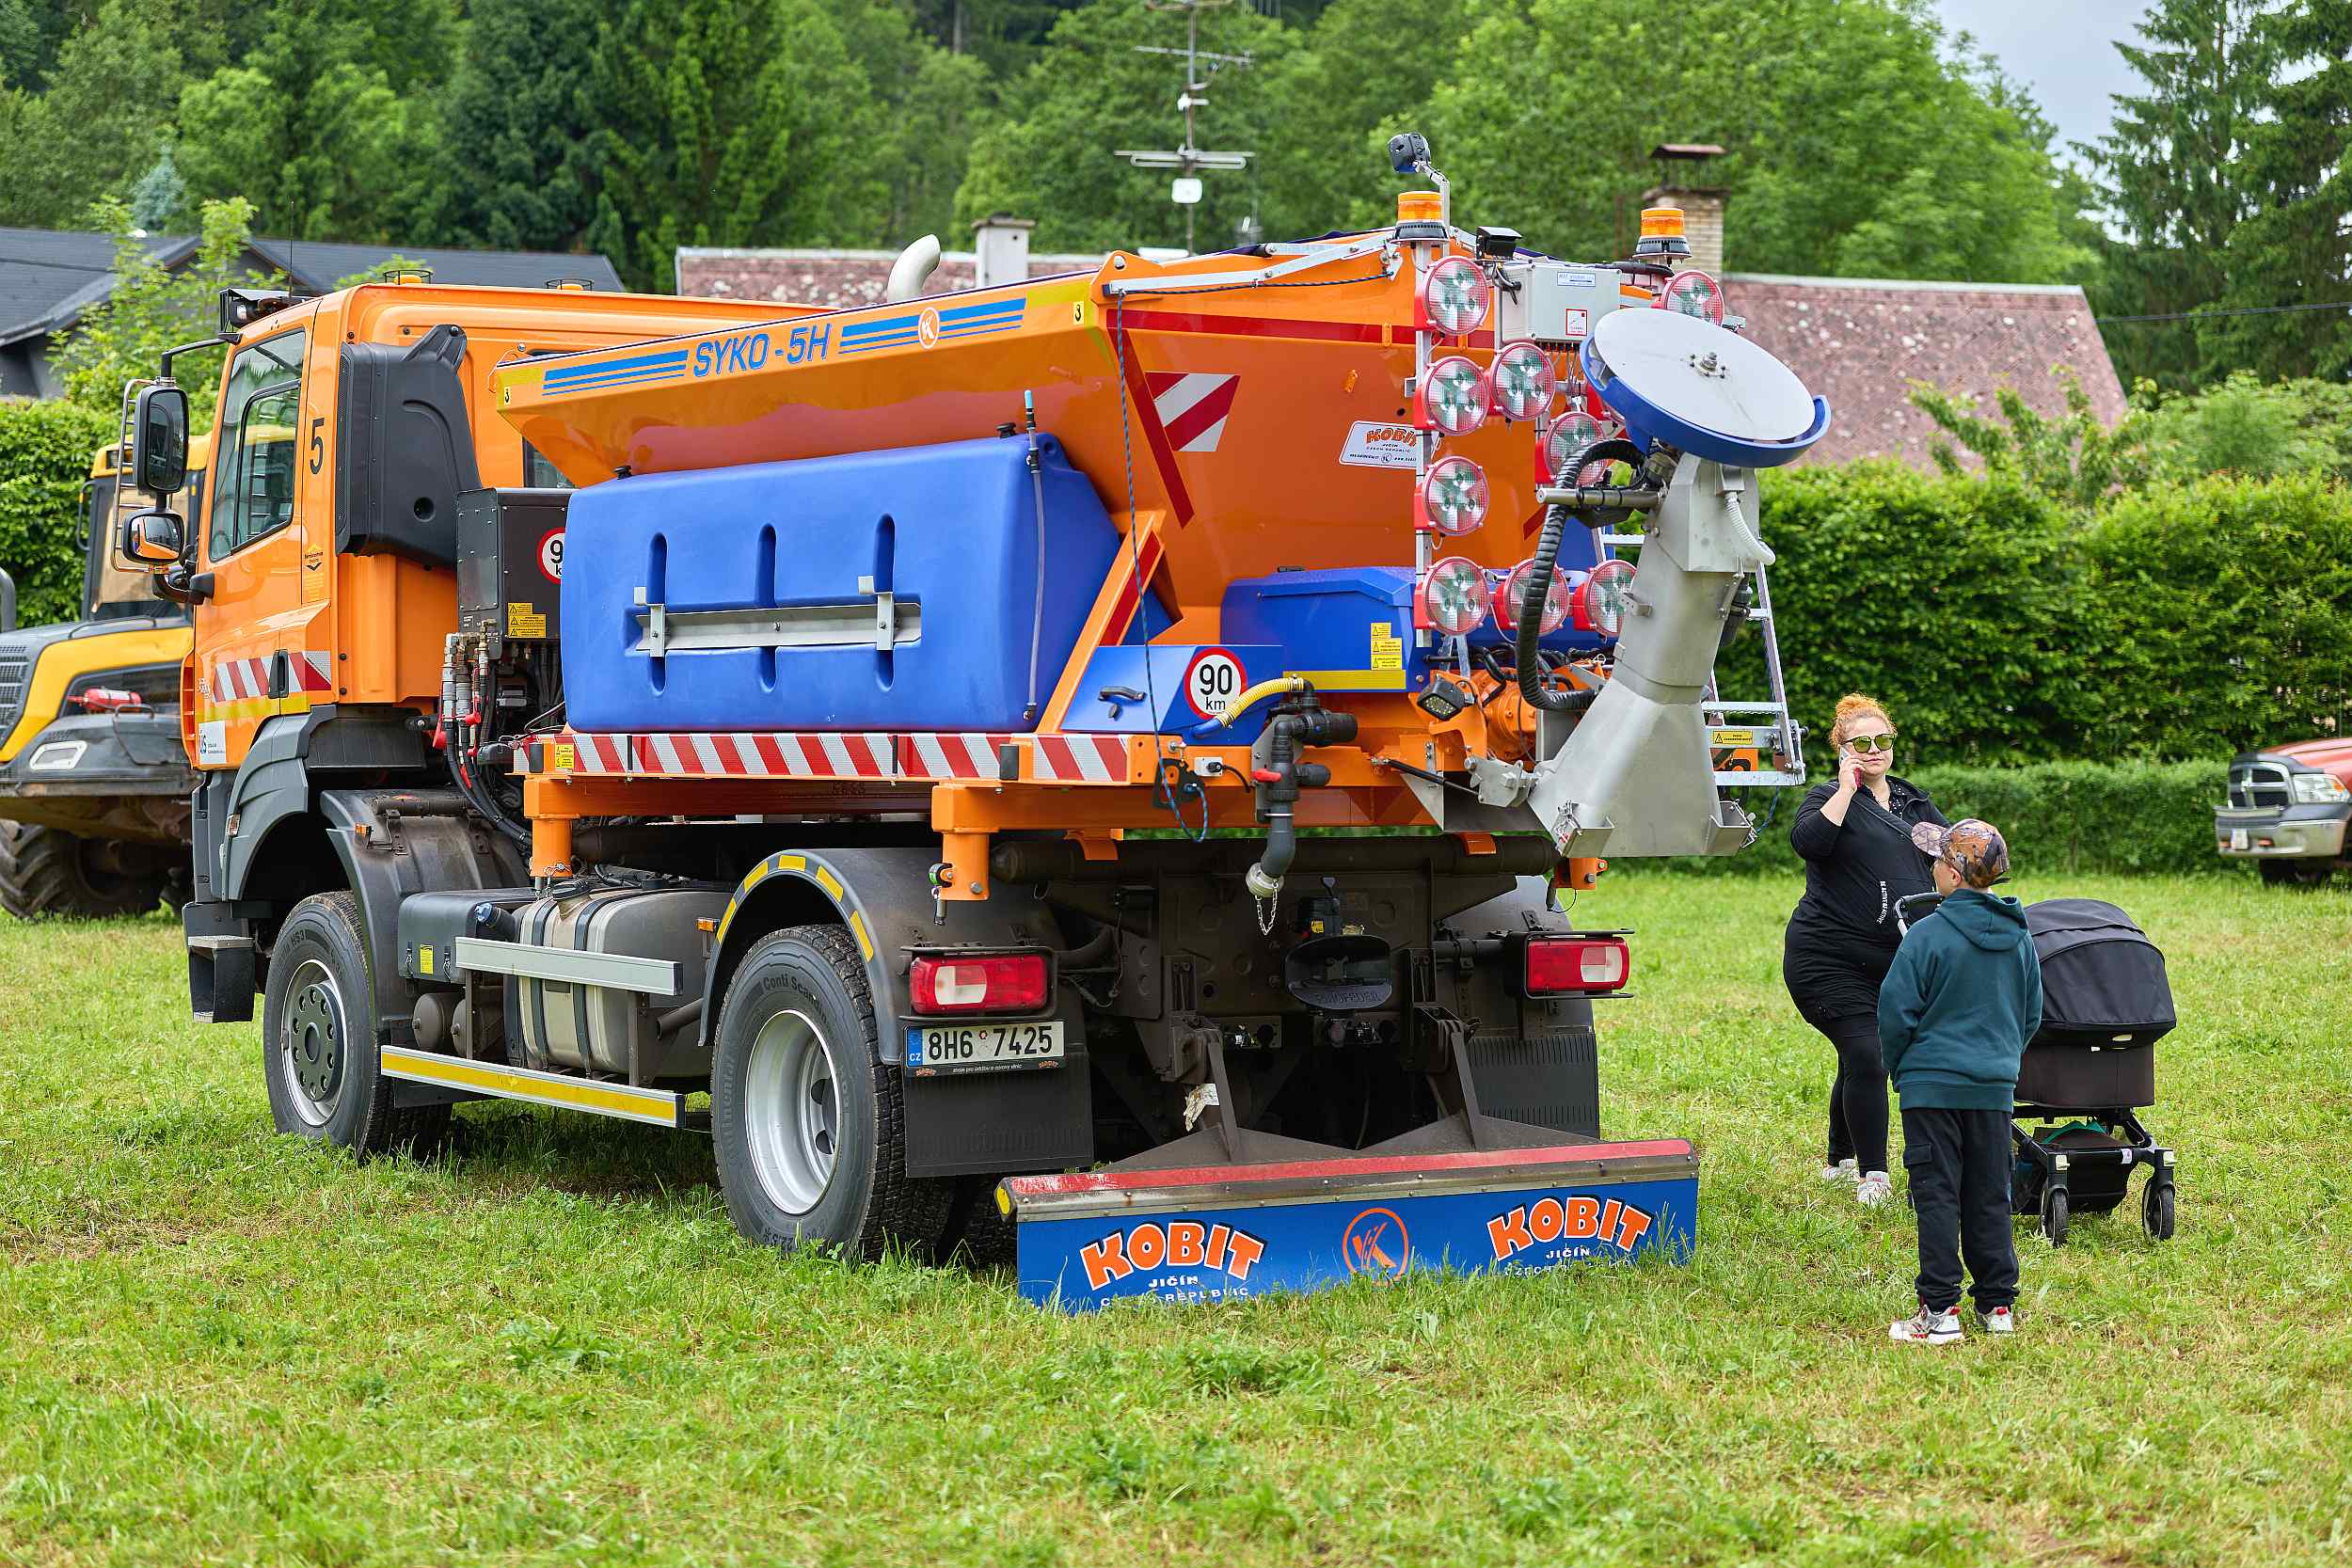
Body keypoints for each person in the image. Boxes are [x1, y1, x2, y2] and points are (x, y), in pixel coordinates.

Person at [1880, 818, 2042, 1345]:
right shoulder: (2019, 938)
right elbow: (2032, 1014)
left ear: (1952, 874)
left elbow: (1895, 1013)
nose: (1931, 866)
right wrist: (1999, 1062)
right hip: (1993, 1089)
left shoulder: (1927, 935)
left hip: (1931, 1089)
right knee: (1991, 1194)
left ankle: (1939, 1311)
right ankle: (1997, 1307)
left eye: (1936, 859)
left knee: (1937, 1195)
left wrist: (1905, 1068)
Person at [1783, 694, 1947, 1207]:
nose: (1873, 749)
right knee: (1867, 1053)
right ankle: (1873, 1176)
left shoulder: (1914, 803)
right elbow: (1809, 843)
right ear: (1842, 749)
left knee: (1859, 1055)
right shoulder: (1826, 798)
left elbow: (1949, 858)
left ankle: (1839, 1158)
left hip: (1892, 961)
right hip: (1825, 958)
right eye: (1861, 743)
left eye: (1882, 740)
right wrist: (1845, 788)